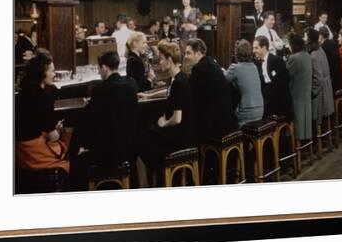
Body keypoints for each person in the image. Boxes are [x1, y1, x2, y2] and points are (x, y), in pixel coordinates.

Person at [69, 51, 139, 190]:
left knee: (76, 160)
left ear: (104, 68)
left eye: (99, 69)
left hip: (108, 153)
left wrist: (75, 148)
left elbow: (88, 122)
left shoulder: (100, 90)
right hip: (130, 149)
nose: (99, 72)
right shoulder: (131, 85)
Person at [137, 42, 196, 174]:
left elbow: (177, 119)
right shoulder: (178, 78)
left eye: (162, 59)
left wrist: (163, 124)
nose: (160, 63)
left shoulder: (179, 82)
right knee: (147, 133)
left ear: (169, 60)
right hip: (183, 132)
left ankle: (161, 175)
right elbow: (168, 91)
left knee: (142, 140)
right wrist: (149, 95)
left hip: (181, 137)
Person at [15, 49, 72, 178]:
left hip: (20, 154)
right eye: (52, 71)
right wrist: (59, 129)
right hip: (36, 155)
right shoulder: (44, 98)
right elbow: (53, 137)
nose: (54, 74)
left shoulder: (19, 96)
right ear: (42, 74)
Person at [185, 38, 238, 143]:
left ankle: (196, 158)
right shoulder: (212, 63)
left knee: (187, 128)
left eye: (188, 53)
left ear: (198, 53)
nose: (185, 57)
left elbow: (190, 96)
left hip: (217, 125)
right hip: (228, 120)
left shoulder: (200, 68)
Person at [252, 35, 293, 120]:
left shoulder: (277, 60)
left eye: (256, 48)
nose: (253, 51)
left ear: (264, 47)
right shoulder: (256, 63)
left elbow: (283, 84)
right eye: (253, 48)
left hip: (278, 103)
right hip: (265, 101)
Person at [224, 40, 264, 127]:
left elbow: (222, 80)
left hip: (246, 114)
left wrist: (222, 71)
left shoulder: (235, 68)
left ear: (236, 54)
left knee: (225, 117)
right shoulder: (254, 67)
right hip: (260, 111)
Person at [286, 34, 313, 141]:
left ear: (293, 45)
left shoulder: (294, 58)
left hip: (296, 96)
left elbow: (286, 75)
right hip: (305, 94)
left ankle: (290, 143)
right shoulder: (307, 55)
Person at [305, 29, 334, 122]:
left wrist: (311, 92)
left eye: (305, 36)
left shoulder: (313, 55)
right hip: (326, 89)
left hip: (320, 95)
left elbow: (318, 79)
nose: (304, 38)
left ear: (309, 39)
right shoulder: (320, 48)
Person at [319, 26, 342, 92]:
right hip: (339, 75)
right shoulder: (334, 43)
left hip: (332, 79)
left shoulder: (323, 47)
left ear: (320, 36)